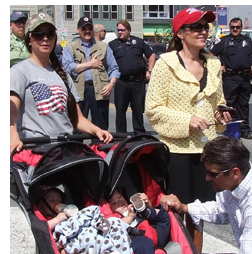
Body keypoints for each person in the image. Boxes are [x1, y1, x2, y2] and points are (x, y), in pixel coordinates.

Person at [145, 7, 232, 254]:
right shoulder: (166, 64)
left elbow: (218, 103)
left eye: (205, 27)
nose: (203, 31)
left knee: (199, 214)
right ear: (181, 33)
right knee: (175, 212)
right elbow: (153, 110)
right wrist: (187, 120)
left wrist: (221, 114)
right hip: (177, 151)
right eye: (196, 27)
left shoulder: (213, 63)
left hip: (207, 151)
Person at [160, 136, 252, 254]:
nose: (207, 178)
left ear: (235, 172)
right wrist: (184, 207)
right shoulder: (235, 182)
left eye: (212, 174)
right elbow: (220, 211)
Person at [10, 13, 113, 156]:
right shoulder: (19, 71)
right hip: (37, 153)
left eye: (50, 34)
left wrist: (97, 130)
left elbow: (77, 119)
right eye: (39, 34)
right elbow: (10, 113)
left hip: (66, 151)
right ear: (29, 39)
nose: (45, 39)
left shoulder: (62, 74)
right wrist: (12, 136)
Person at [37, 187, 132, 254]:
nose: (57, 203)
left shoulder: (65, 214)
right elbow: (42, 229)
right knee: (63, 250)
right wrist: (57, 220)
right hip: (61, 240)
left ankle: (105, 252)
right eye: (52, 200)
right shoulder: (45, 220)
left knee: (96, 230)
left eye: (59, 201)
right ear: (41, 207)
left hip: (76, 233)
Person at [62, 17, 120, 130]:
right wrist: (90, 64)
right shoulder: (71, 47)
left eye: (89, 28)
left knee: (100, 126)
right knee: (76, 125)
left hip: (99, 91)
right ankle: (77, 148)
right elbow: (67, 67)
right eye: (84, 28)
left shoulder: (103, 47)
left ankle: (98, 147)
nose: (87, 31)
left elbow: (114, 68)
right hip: (78, 91)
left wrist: (111, 84)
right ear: (78, 29)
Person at [108, 189, 171, 254]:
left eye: (120, 197)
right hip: (137, 238)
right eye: (114, 203)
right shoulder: (114, 219)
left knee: (165, 217)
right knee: (141, 243)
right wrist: (129, 217)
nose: (120, 202)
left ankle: (147, 212)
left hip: (155, 234)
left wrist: (148, 204)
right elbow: (115, 227)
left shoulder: (132, 206)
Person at [210, 17, 252, 140]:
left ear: (241, 28)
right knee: (229, 105)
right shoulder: (225, 41)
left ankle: (244, 130)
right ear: (230, 28)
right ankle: (229, 129)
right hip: (230, 78)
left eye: (237, 27)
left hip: (245, 77)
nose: (235, 29)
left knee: (243, 105)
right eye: (233, 27)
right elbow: (211, 54)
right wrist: (219, 65)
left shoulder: (247, 41)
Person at [109, 20, 156, 135]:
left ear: (128, 30)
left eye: (122, 30)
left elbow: (152, 55)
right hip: (122, 82)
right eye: (118, 30)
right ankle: (121, 135)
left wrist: (149, 71)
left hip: (137, 81)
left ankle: (139, 133)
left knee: (138, 109)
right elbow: (107, 61)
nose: (120, 32)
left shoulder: (138, 42)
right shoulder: (113, 44)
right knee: (120, 110)